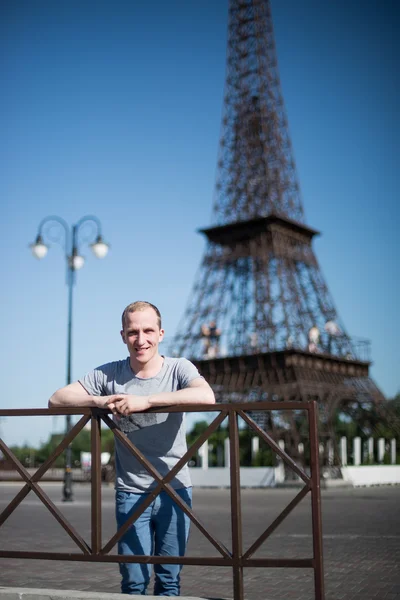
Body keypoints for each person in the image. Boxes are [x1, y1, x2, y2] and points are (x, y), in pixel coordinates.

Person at [48, 300, 215, 596]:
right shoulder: (110, 374)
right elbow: (57, 399)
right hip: (130, 490)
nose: (141, 339)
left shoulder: (179, 368)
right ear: (123, 336)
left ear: (161, 333)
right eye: (133, 332)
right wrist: (99, 401)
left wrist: (147, 401)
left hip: (175, 488)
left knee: (169, 581)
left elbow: (207, 397)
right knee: (134, 581)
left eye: (148, 330)